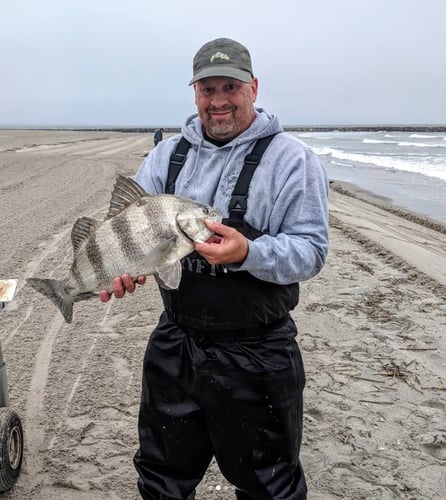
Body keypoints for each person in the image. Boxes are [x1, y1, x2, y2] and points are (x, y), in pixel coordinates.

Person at [100, 37, 329, 500]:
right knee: (161, 476)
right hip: (176, 342)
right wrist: (122, 268)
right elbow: (125, 230)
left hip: (258, 352)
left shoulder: (292, 161)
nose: (219, 101)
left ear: (254, 88)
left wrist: (249, 253)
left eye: (231, 87)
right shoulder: (166, 156)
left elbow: (311, 251)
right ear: (195, 93)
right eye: (207, 89)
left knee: (269, 485)